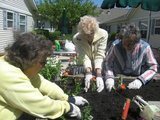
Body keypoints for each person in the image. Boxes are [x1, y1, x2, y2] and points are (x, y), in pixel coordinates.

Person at [0, 32, 88, 120]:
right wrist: (68, 108)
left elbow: (41, 83)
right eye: (42, 62)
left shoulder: (18, 65)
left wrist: (67, 98)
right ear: (28, 60)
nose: (45, 65)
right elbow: (38, 104)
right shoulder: (7, 74)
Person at [104, 23, 158, 92]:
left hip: (136, 79)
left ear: (137, 42)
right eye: (124, 44)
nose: (126, 47)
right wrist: (109, 77)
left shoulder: (145, 47)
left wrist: (141, 80)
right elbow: (108, 63)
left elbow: (153, 67)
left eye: (130, 45)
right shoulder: (116, 45)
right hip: (118, 77)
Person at [73, 15, 108, 92]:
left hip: (100, 64)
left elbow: (100, 54)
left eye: (91, 34)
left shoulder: (103, 34)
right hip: (85, 65)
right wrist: (88, 73)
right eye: (85, 35)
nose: (88, 37)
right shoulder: (77, 38)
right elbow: (83, 55)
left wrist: (99, 74)